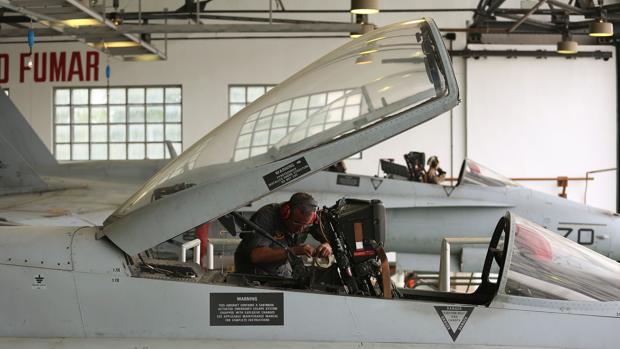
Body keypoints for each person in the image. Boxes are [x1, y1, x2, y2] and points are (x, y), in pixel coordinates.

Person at [234, 192, 332, 278]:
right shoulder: (267, 217)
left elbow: (333, 240)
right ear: (286, 213)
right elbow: (256, 255)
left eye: (306, 225)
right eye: (297, 223)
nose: (301, 229)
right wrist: (294, 251)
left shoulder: (309, 221)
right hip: (253, 274)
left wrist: (328, 246)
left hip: (281, 270)